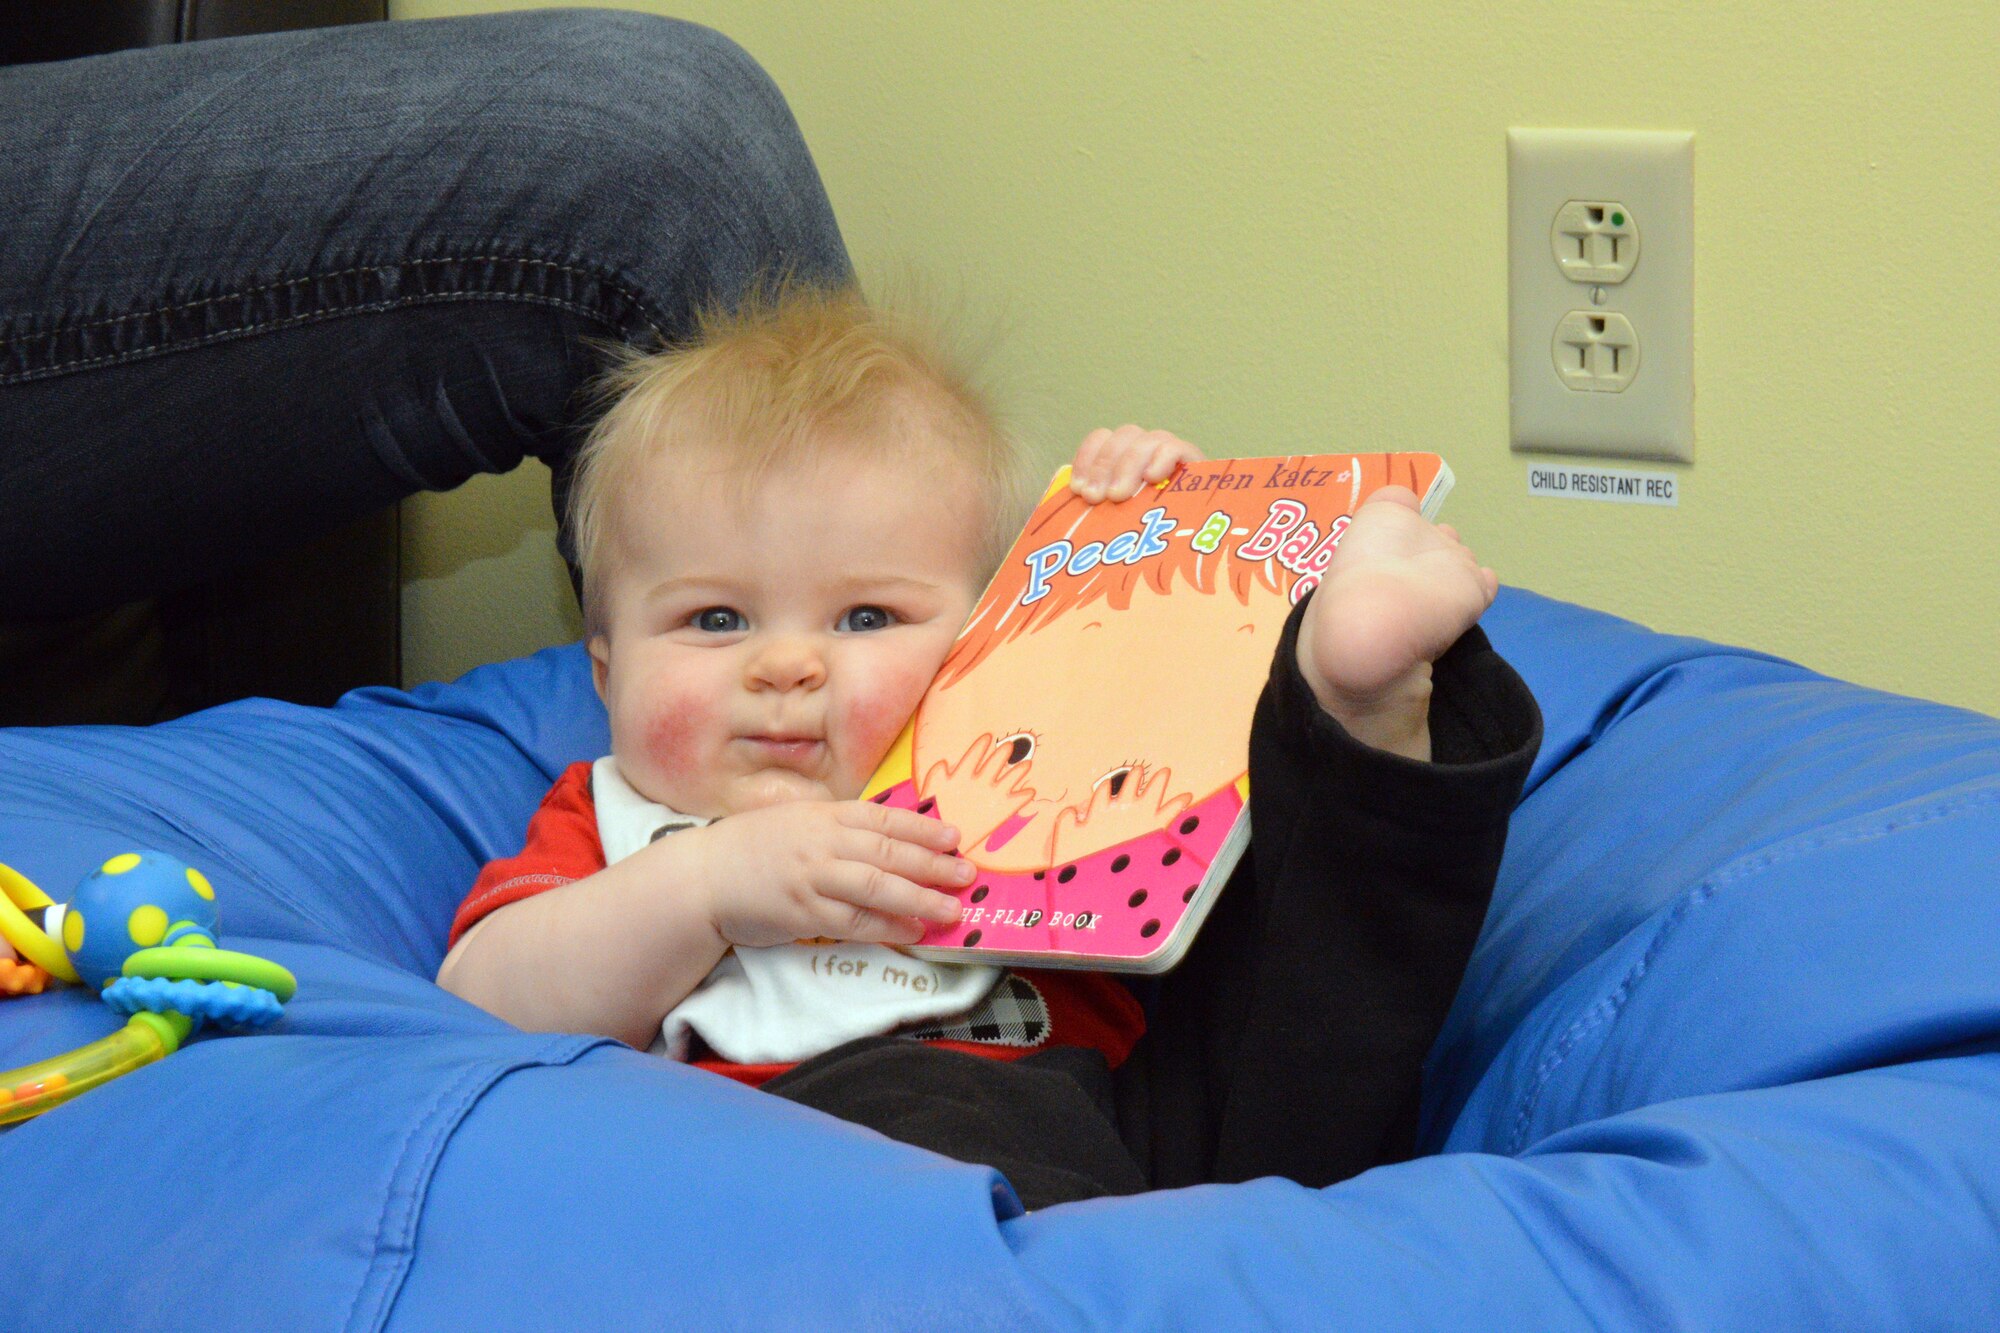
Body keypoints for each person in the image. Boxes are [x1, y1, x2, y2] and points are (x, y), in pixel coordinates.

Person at [436, 284, 1542, 1209]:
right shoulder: (626, 817)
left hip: (1105, 1125)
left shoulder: (1016, 739)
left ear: (987, 638)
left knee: (1303, 995)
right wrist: (704, 887)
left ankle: (1365, 695)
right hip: (788, 1144)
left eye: (864, 618)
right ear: (605, 670)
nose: (785, 667)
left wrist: (1140, 535)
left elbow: (1159, 716)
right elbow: (480, 1001)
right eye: (713, 620)